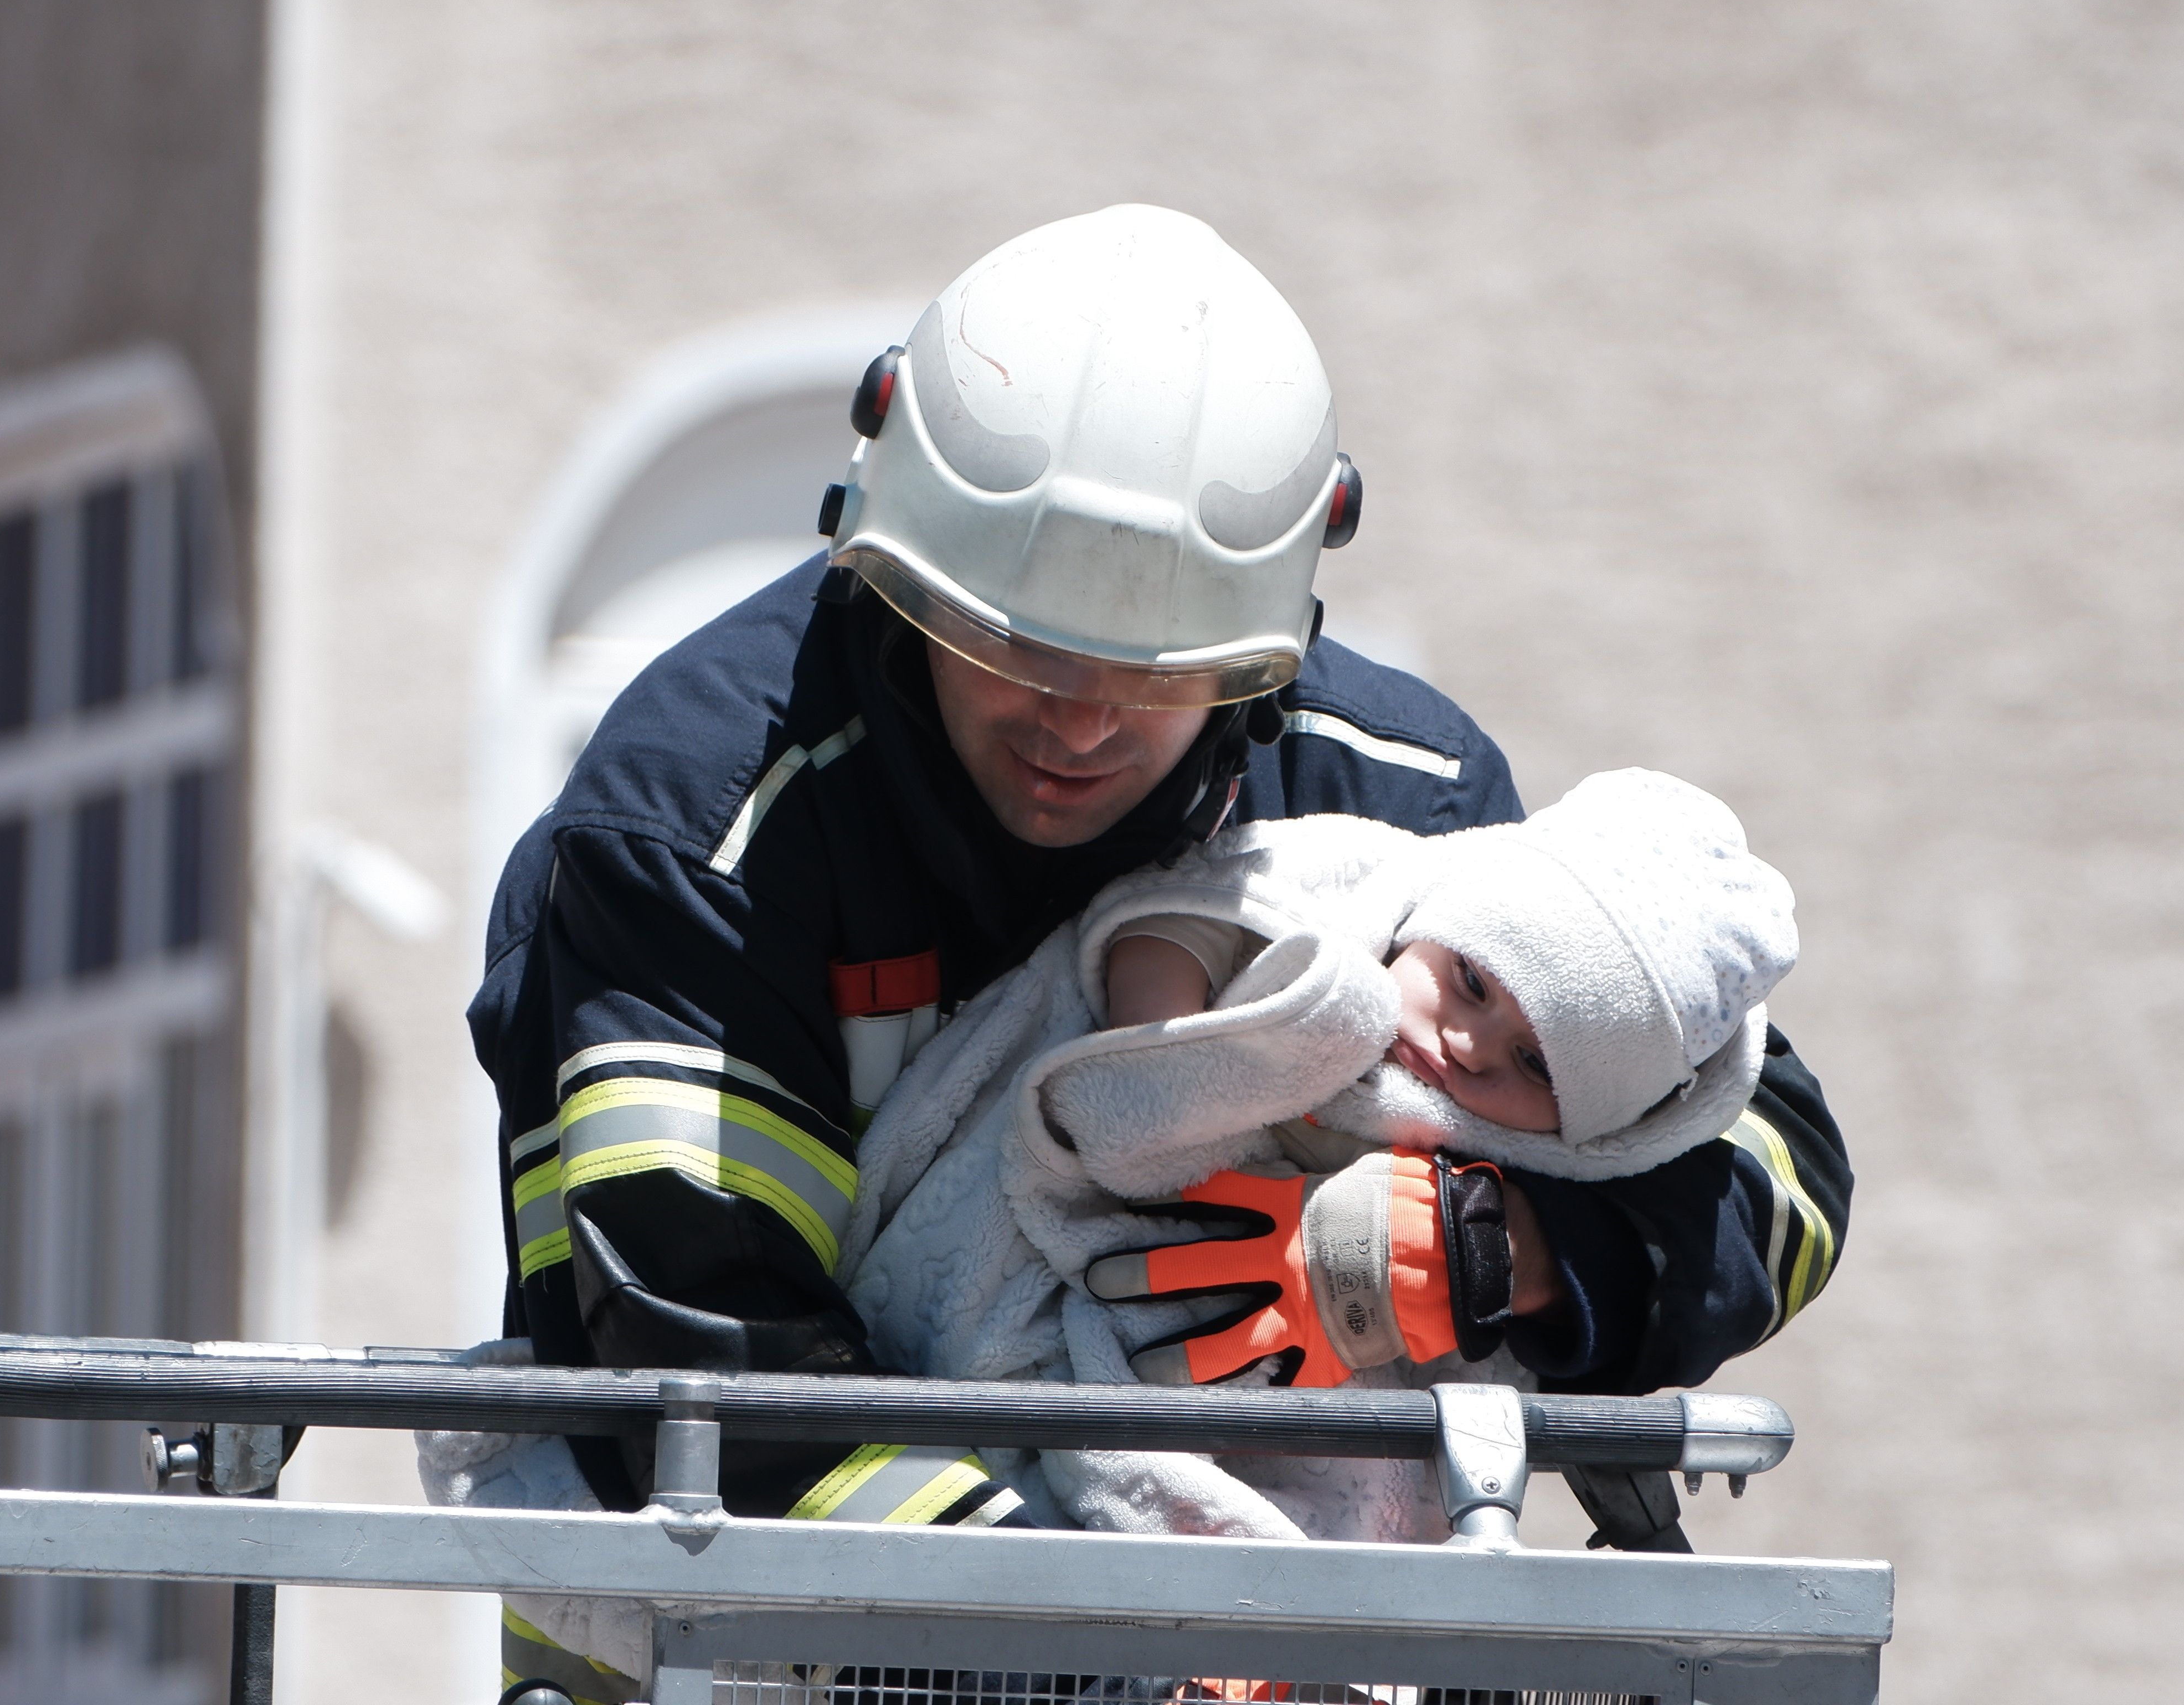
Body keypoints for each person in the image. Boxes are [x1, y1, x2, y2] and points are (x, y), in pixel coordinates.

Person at [463, 205, 1850, 1698]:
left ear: (1265, 647)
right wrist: (1112, 1655)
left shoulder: (1394, 793)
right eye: (1016, 652)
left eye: (1158, 678)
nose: (1075, 724)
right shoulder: (696, 833)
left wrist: (1500, 1252)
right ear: (899, 577)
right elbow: (703, 1370)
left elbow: (1765, 1164)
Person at [823, 767, 1800, 1545]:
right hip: (1084, 1241)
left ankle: (1280, 1647)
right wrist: (1179, 1062)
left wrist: (1492, 1248)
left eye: (1531, 1065)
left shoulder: (1420, 760)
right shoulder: (1355, 886)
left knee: (1349, 1494)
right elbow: (1174, 914)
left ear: (1586, 1125)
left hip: (1318, 1380)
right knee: (1033, 1406)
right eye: (1470, 981)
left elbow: (1752, 1199)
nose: (1467, 1043)